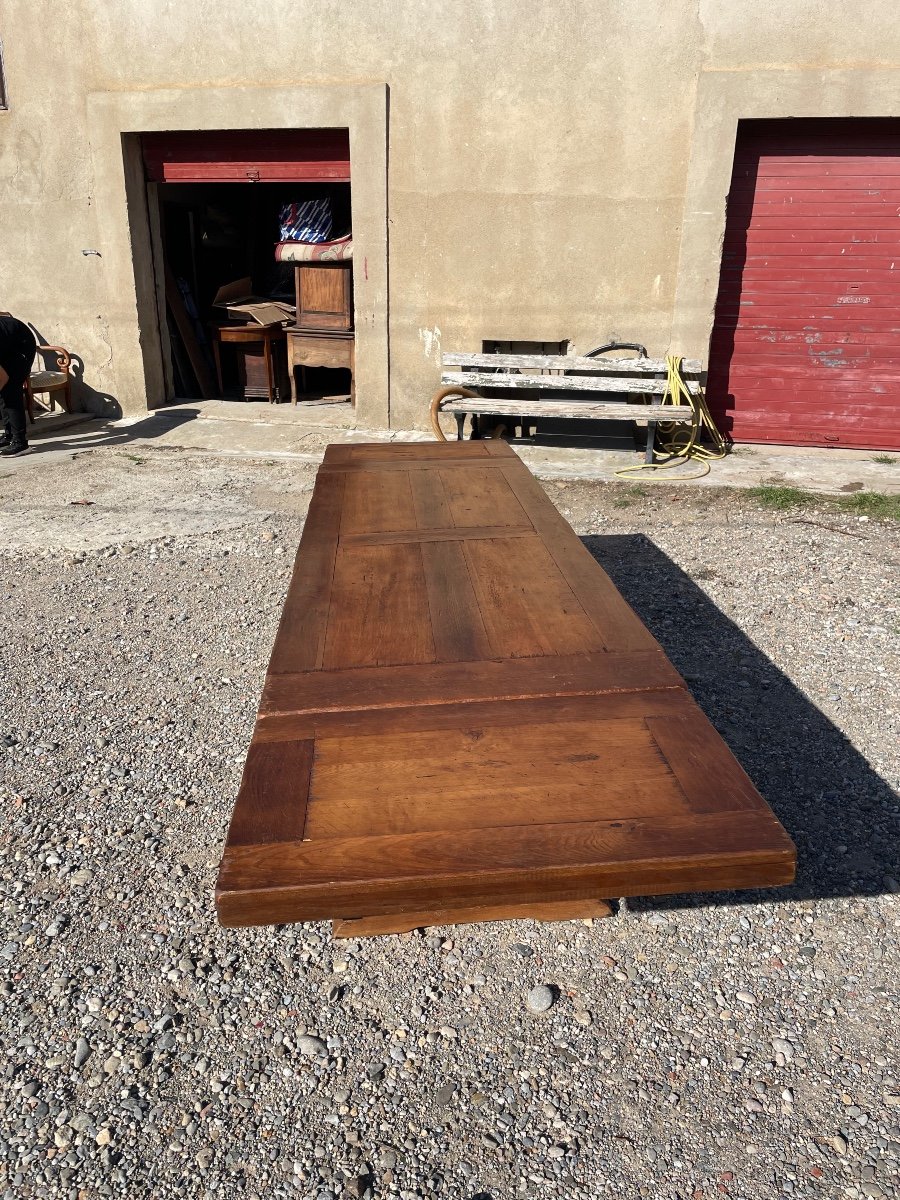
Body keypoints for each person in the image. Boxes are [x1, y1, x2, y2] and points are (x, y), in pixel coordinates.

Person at [0, 313, 37, 458]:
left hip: (21, 346)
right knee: (3, 393)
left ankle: (20, 443)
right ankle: (9, 436)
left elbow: (3, 378)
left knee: (10, 390)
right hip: (7, 343)